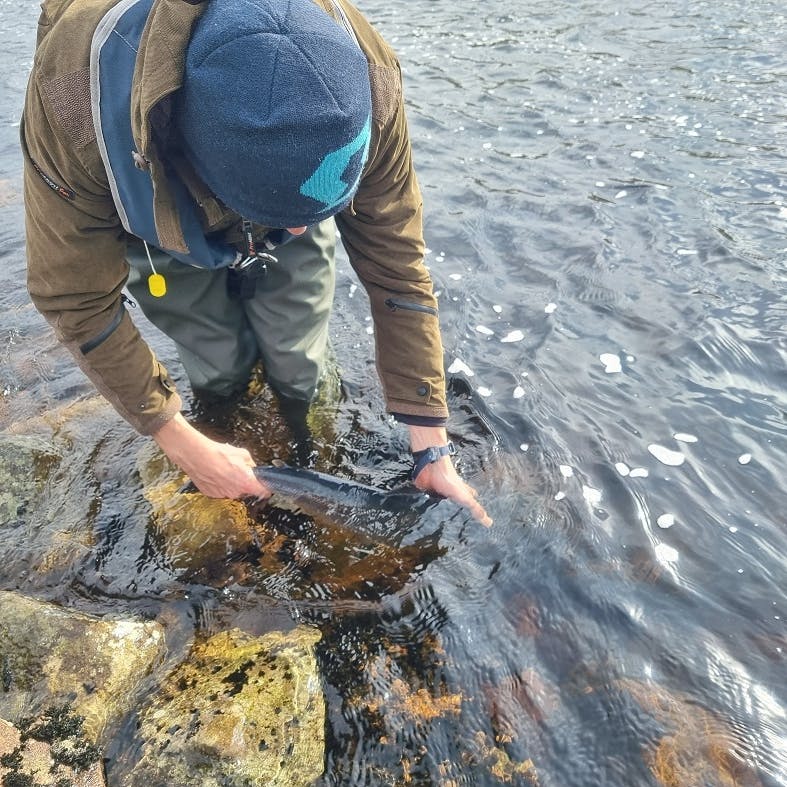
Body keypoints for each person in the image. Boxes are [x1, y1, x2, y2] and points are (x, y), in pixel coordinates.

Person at [21, 0, 491, 526]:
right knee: (217, 363)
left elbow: (396, 262)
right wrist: (176, 439)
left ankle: (300, 413)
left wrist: (431, 445)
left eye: (307, 219)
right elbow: (75, 296)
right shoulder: (76, 98)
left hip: (289, 170)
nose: (294, 235)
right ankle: (220, 416)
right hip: (151, 189)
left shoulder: (365, 81)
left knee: (300, 360)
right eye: (280, 217)